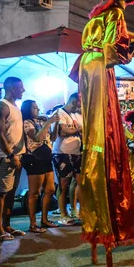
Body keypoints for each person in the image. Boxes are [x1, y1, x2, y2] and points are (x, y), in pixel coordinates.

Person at [68, 0, 134, 267]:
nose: (126, 4)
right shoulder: (115, 14)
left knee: (95, 129)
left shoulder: (93, 20)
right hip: (100, 65)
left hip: (88, 66)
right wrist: (127, 51)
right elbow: (117, 46)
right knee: (104, 128)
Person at [0, 77, 26, 241]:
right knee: (2, 194)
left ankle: (7, 225)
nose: (23, 90)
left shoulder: (15, 107)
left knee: (11, 193)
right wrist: (11, 155)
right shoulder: (2, 106)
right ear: (12, 88)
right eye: (21, 87)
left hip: (17, 157)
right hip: (5, 158)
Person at [21, 100, 60, 233]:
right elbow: (37, 138)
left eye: (38, 107)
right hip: (34, 159)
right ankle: (33, 224)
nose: (37, 110)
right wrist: (48, 122)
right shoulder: (27, 123)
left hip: (46, 157)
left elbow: (52, 138)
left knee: (50, 189)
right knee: (34, 193)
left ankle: (44, 219)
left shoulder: (41, 121)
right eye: (34, 108)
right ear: (27, 109)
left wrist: (56, 124)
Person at [51, 93, 82, 225]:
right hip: (62, 153)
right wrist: (79, 129)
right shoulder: (59, 113)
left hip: (77, 153)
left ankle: (76, 209)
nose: (80, 107)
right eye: (79, 104)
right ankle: (63, 214)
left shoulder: (75, 115)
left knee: (80, 182)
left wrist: (76, 129)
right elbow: (63, 132)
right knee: (64, 185)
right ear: (74, 102)